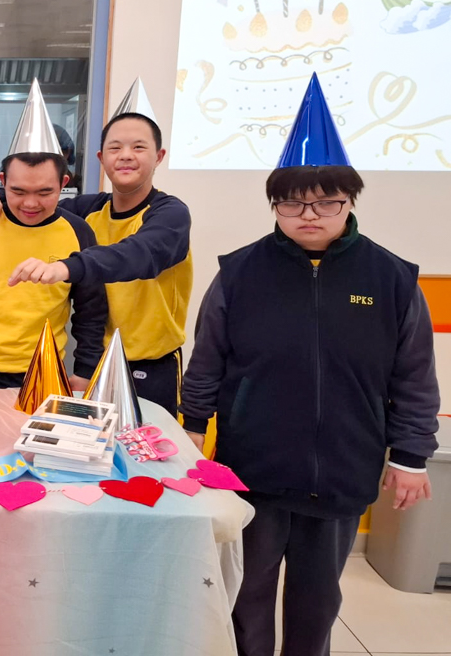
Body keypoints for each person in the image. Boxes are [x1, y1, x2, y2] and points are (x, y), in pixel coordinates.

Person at [180, 75, 440, 656]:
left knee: (317, 601)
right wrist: (192, 427)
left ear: (349, 202)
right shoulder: (240, 273)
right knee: (246, 594)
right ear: (275, 204)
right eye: (293, 202)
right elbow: (207, 360)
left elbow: (414, 375)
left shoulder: (391, 279)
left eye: (327, 202)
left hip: (343, 469)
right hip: (254, 468)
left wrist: (411, 456)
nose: (309, 214)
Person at [0, 109, 192, 416]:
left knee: (146, 441)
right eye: (115, 147)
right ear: (101, 158)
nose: (126, 155)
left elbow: (138, 254)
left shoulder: (171, 214)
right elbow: (37, 198)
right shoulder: (88, 210)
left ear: (159, 156)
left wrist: (65, 267)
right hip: (97, 361)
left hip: (147, 365)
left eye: (138, 147)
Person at [0, 80, 107, 389]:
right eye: (18, 191)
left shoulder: (78, 232)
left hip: (43, 372)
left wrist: (86, 370)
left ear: (64, 184)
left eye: (45, 192)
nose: (30, 204)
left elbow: (91, 311)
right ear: (2, 181)